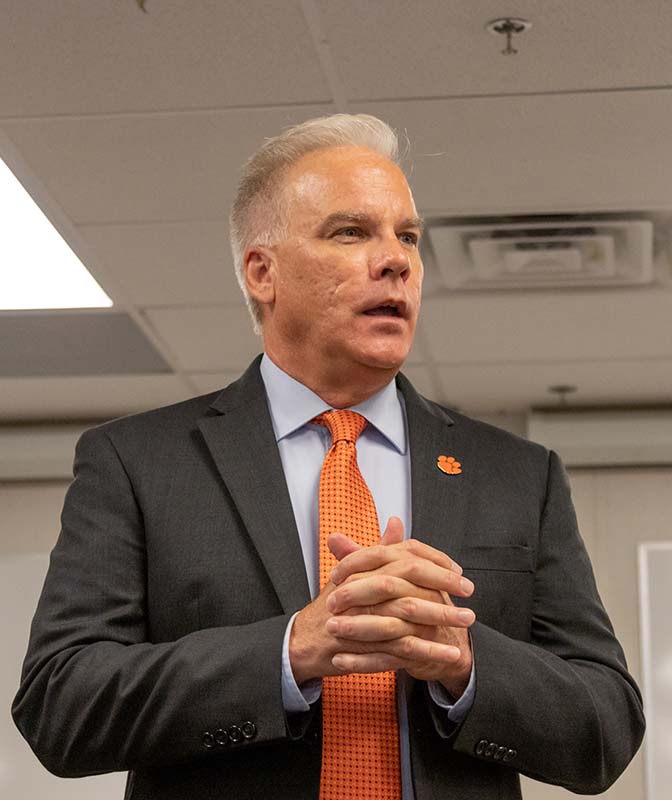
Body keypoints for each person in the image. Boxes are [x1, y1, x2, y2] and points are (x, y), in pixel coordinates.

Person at [13, 114, 644, 800]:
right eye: (351, 232)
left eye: (407, 236)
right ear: (263, 273)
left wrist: (463, 660)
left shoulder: (518, 474)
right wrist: (292, 651)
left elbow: (605, 729)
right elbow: (60, 706)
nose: (397, 259)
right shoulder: (137, 463)